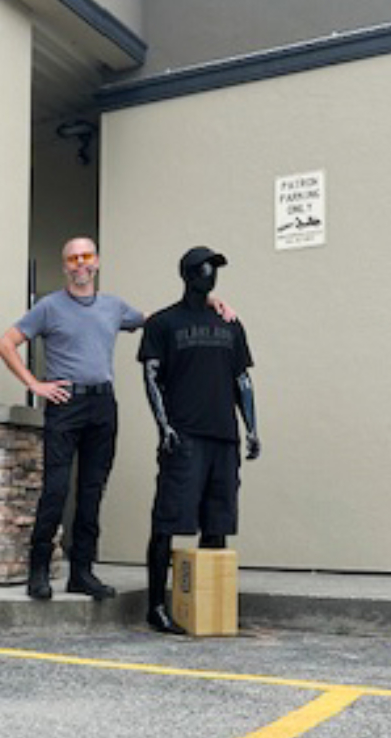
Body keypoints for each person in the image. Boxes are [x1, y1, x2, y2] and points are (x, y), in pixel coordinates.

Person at [0, 237, 234, 601]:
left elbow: (159, 320)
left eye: (86, 256)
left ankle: (82, 573)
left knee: (92, 491)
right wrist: (35, 384)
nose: (80, 263)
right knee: (56, 490)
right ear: (65, 266)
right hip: (66, 405)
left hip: (103, 405)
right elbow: (5, 344)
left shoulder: (113, 307)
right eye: (72, 258)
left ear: (97, 262)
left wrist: (207, 303)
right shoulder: (48, 307)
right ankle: (38, 571)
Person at [138, 246, 259, 634]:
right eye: (206, 269)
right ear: (189, 275)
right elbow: (151, 377)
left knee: (217, 521)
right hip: (184, 437)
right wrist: (164, 426)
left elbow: (242, 380)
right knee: (167, 520)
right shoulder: (163, 323)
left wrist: (252, 427)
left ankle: (209, 606)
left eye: (215, 269)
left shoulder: (230, 323)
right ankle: (156, 605)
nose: (212, 276)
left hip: (224, 437)